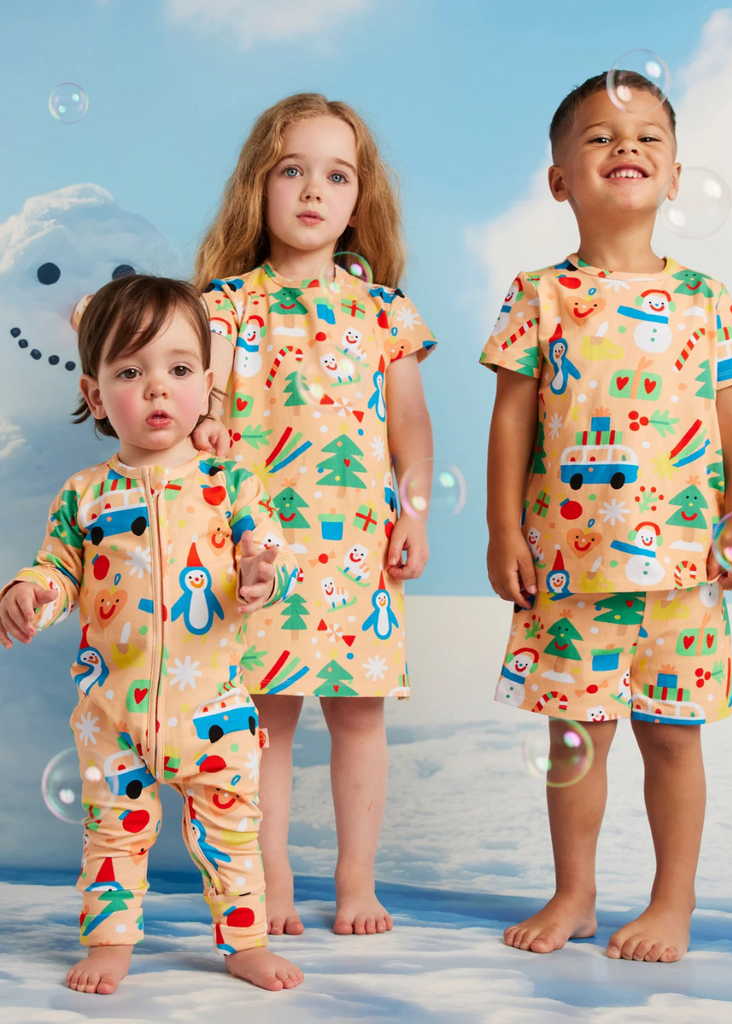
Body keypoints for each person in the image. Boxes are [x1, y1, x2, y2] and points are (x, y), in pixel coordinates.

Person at [482, 71, 732, 963]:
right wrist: (501, 530)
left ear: (675, 175)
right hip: (570, 564)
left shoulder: (708, 298)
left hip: (685, 566)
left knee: (673, 740)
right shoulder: (539, 294)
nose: (626, 147)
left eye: (647, 137)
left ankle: (673, 900)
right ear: (559, 178)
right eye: (600, 137)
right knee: (576, 740)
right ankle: (574, 893)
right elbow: (512, 421)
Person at [0, 275, 305, 994]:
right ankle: (109, 943)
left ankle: (245, 943)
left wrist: (262, 575)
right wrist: (29, 592)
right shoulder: (85, 494)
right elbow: (58, 569)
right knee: (112, 834)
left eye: (178, 368)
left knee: (233, 837)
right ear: (94, 394)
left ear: (207, 384)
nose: (157, 388)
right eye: (130, 372)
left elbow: (273, 558)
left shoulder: (232, 486)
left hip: (215, 711)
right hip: (112, 712)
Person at [191, 93, 436, 937]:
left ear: (359, 201)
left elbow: (411, 428)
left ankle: (356, 883)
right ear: (257, 187)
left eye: (336, 175)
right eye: (291, 169)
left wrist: (414, 514)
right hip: (256, 551)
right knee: (264, 719)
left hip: (359, 550)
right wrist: (205, 421)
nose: (311, 190)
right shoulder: (227, 305)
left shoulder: (384, 311)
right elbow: (203, 397)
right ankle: (272, 880)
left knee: (360, 716)